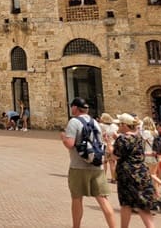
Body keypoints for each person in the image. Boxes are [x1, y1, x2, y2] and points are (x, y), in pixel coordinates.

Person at [60, 97, 116, 228]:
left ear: (75, 108)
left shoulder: (74, 122)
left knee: (77, 198)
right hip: (97, 165)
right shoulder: (95, 122)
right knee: (103, 199)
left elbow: (70, 144)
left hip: (78, 166)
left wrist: (63, 138)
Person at [113, 113, 156, 228]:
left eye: (120, 124)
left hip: (127, 175)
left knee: (127, 204)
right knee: (142, 206)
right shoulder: (139, 137)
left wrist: (109, 144)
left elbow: (115, 156)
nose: (118, 126)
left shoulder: (122, 138)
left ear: (125, 125)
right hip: (142, 173)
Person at [140, 117, 161, 197]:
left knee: (150, 176)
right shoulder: (155, 132)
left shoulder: (146, 132)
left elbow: (140, 143)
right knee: (153, 175)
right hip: (155, 156)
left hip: (148, 155)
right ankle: (156, 194)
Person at [99, 113, 118, 183]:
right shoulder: (114, 126)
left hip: (105, 145)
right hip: (113, 145)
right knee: (112, 162)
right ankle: (113, 178)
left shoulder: (101, 126)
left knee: (104, 162)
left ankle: (103, 176)